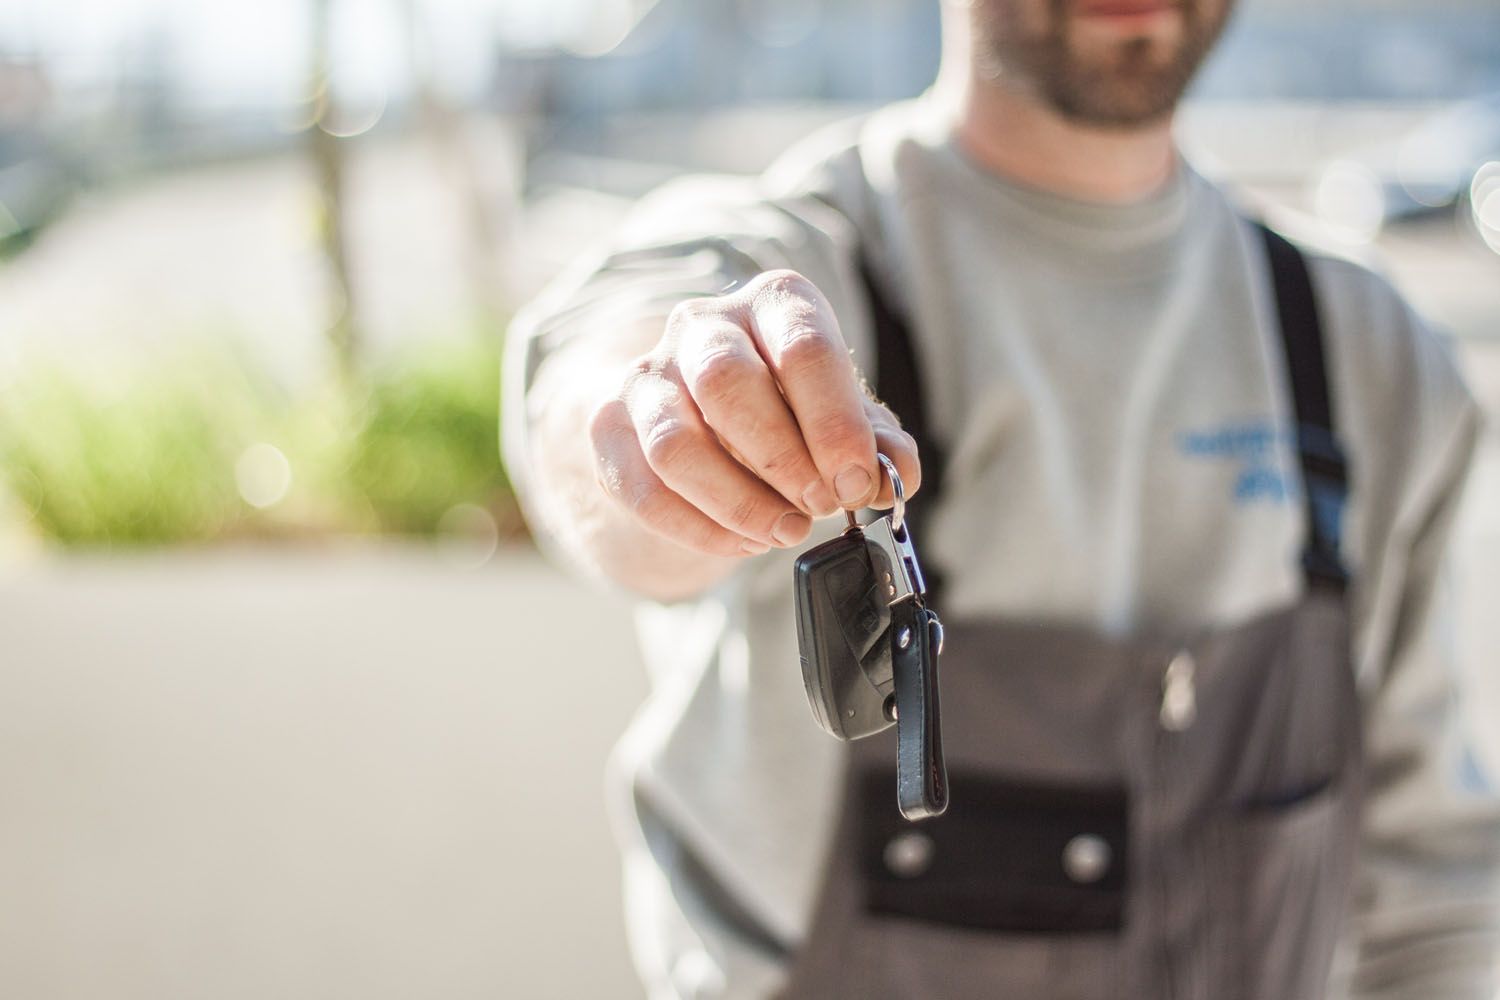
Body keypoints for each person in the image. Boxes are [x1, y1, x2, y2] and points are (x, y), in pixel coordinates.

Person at [501, 0, 1500, 996]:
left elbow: (1430, 893)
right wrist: (674, 428)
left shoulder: (1371, 355)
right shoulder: (805, 258)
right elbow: (603, 397)